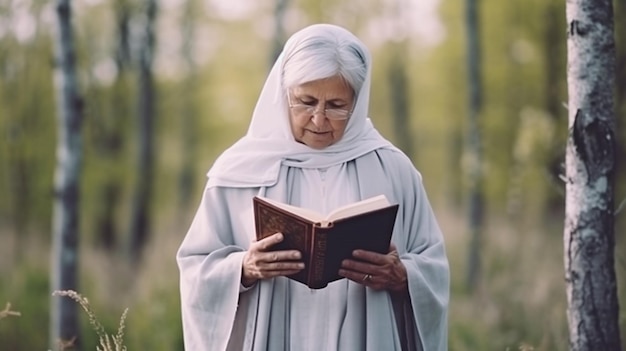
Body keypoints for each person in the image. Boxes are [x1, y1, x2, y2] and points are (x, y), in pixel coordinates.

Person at [176, 23, 449, 351]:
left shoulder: (393, 168)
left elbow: (433, 264)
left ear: (358, 102)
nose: (319, 120)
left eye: (336, 105)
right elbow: (195, 266)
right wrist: (244, 269)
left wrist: (402, 275)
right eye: (305, 102)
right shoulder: (237, 171)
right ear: (283, 94)